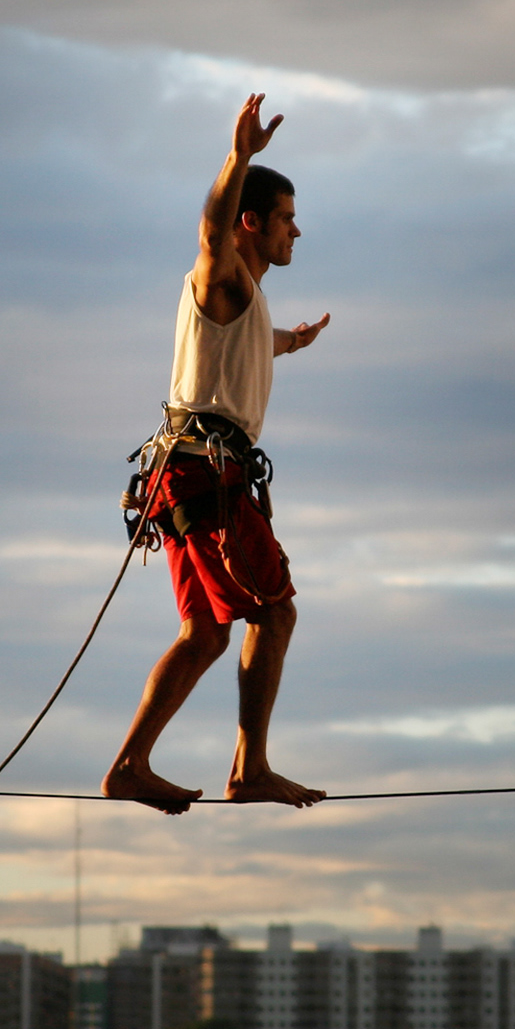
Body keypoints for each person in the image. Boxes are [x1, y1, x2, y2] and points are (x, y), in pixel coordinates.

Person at [102, 94, 330, 814]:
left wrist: (294, 339)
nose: (298, 229)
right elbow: (209, 231)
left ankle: (130, 764)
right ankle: (249, 767)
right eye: (287, 216)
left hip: (188, 475)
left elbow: (256, 346)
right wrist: (240, 158)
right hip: (206, 473)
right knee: (276, 611)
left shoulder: (246, 305)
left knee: (205, 632)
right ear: (252, 223)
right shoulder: (223, 275)